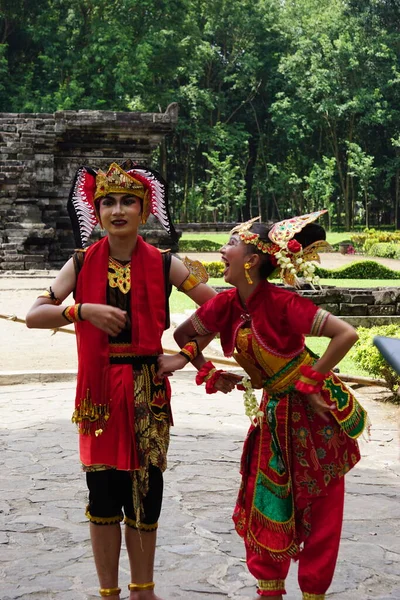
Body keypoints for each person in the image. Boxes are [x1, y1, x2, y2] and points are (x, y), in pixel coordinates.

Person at [26, 160, 217, 600]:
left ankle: (142, 590)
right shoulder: (79, 262)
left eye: (128, 201)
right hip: (98, 395)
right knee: (103, 492)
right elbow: (37, 314)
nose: (117, 210)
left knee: (146, 491)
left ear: (144, 210)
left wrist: (186, 354)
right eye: (108, 201)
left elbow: (218, 311)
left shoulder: (167, 264)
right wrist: (81, 310)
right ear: (97, 212)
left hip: (147, 390)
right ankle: (108, 592)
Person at [157, 211, 368, 600]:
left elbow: (346, 334)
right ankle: (268, 589)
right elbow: (185, 333)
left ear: (251, 259)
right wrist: (204, 370)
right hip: (274, 417)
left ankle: (313, 593)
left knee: (319, 505)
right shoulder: (226, 304)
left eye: (231, 244)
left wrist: (310, 380)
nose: (222, 251)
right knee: (265, 496)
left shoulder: (283, 303)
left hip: (316, 416)